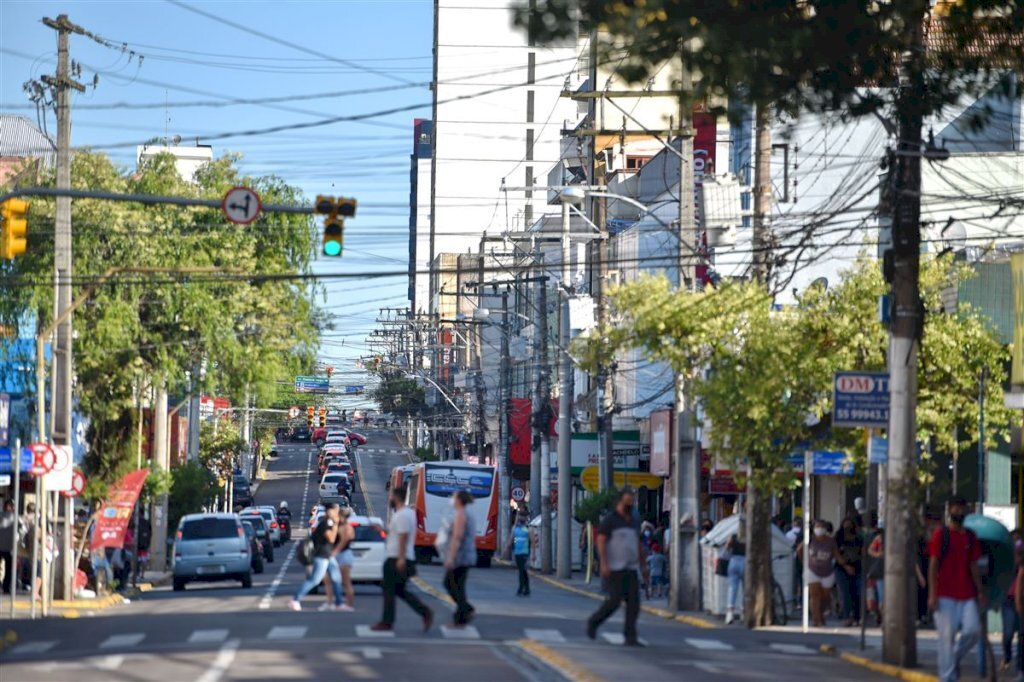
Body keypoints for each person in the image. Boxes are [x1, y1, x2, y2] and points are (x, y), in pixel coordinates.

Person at [927, 496, 985, 682]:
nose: (959, 512)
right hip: (944, 594)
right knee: (946, 638)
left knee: (973, 631)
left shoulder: (970, 536)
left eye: (962, 508)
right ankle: (947, 677)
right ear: (949, 510)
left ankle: (954, 658)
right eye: (956, 508)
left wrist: (980, 590)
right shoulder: (940, 535)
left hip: (967, 593)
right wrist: (932, 593)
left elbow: (974, 565)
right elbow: (933, 564)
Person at [586, 489, 649, 646]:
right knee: (614, 601)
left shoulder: (634, 521)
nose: (630, 504)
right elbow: (600, 541)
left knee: (634, 604)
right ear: (619, 501)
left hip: (631, 567)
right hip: (614, 568)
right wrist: (604, 563)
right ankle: (593, 622)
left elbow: (638, 544)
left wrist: (643, 565)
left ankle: (630, 636)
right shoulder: (610, 520)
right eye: (627, 501)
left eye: (632, 501)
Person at [371, 484, 433, 632]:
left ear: (397, 497)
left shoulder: (403, 515)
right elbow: (396, 534)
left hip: (396, 558)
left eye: (391, 496)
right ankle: (425, 612)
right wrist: (382, 530)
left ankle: (387, 621)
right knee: (398, 590)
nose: (390, 498)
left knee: (389, 589)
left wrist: (401, 558)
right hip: (398, 556)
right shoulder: (404, 514)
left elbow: (404, 536)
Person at [289, 503, 344, 611]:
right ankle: (295, 599)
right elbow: (331, 539)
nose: (337, 513)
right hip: (322, 555)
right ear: (330, 511)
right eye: (336, 511)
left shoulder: (328, 521)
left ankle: (339, 603)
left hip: (328, 555)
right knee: (315, 580)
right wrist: (336, 524)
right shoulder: (327, 522)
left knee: (336, 578)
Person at [797, 519, 852, 627]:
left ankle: (821, 614)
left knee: (825, 597)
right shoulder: (810, 539)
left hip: (827, 571)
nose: (819, 529)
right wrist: (805, 562)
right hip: (812, 570)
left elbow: (836, 555)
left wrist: (845, 565)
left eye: (822, 527)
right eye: (817, 527)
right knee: (815, 595)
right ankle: (816, 619)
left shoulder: (831, 541)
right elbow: (799, 550)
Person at [442, 490, 477, 627]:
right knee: (457, 585)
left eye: (454, 498)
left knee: (451, 584)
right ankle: (463, 614)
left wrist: (450, 557)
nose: (452, 500)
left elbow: (457, 537)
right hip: (466, 554)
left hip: (460, 556)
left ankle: (464, 613)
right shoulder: (467, 513)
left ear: (459, 500)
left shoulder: (461, 514)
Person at [835, 516, 864, 626]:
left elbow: (862, 552)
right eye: (845, 525)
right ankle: (847, 616)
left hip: (857, 568)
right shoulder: (838, 538)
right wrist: (845, 566)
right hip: (841, 568)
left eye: (850, 525)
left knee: (857, 593)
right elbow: (836, 553)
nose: (848, 527)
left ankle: (857, 617)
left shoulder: (859, 538)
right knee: (844, 593)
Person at [330, 506, 357, 612]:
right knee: (337, 581)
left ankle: (349, 605)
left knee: (346, 582)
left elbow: (343, 541)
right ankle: (339, 603)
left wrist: (334, 552)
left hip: (344, 554)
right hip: (344, 554)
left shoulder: (345, 527)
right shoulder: (346, 526)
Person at [504, 513, 533, 596]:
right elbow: (513, 539)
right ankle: (526, 588)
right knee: (522, 570)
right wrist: (507, 548)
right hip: (517, 552)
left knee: (521, 570)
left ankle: (521, 588)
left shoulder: (528, 529)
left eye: (523, 516)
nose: (521, 518)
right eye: (520, 516)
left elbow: (532, 542)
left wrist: (533, 554)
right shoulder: (515, 528)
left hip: (525, 552)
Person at [725, 524, 747, 624]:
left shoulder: (733, 537)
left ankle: (730, 614)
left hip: (733, 561)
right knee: (746, 589)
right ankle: (744, 612)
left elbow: (727, 548)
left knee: (732, 588)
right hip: (746, 561)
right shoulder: (749, 537)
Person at [0, 500, 18, 594]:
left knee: (8, 568)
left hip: (5, 545)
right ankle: (6, 587)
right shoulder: (15, 517)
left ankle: (6, 586)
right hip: (9, 546)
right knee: (8, 568)